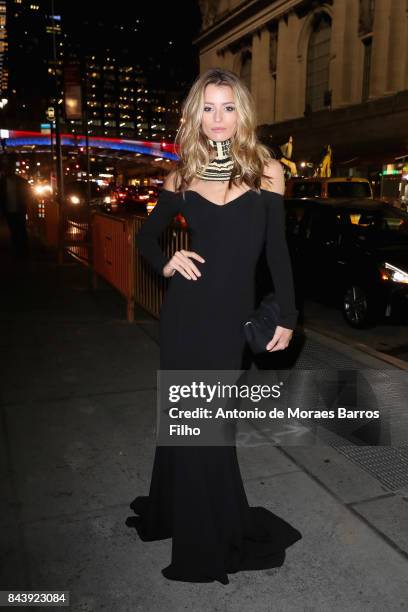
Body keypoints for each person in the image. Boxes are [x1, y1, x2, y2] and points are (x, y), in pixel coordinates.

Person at [126, 68, 302, 585]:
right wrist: (167, 263)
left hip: (230, 322)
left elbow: (279, 253)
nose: (218, 118)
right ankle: (193, 528)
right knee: (188, 424)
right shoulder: (181, 177)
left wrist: (288, 318)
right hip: (185, 316)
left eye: (228, 107)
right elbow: (145, 238)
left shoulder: (268, 171)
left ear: (241, 113)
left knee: (210, 429)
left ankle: (208, 525)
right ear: (194, 115)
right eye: (208, 107)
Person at [0, 155, 31, 260]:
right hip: (9, 210)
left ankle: (24, 252)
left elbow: (28, 193)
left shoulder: (21, 182)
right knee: (14, 231)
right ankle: (18, 251)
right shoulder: (3, 182)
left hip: (19, 210)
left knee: (21, 230)